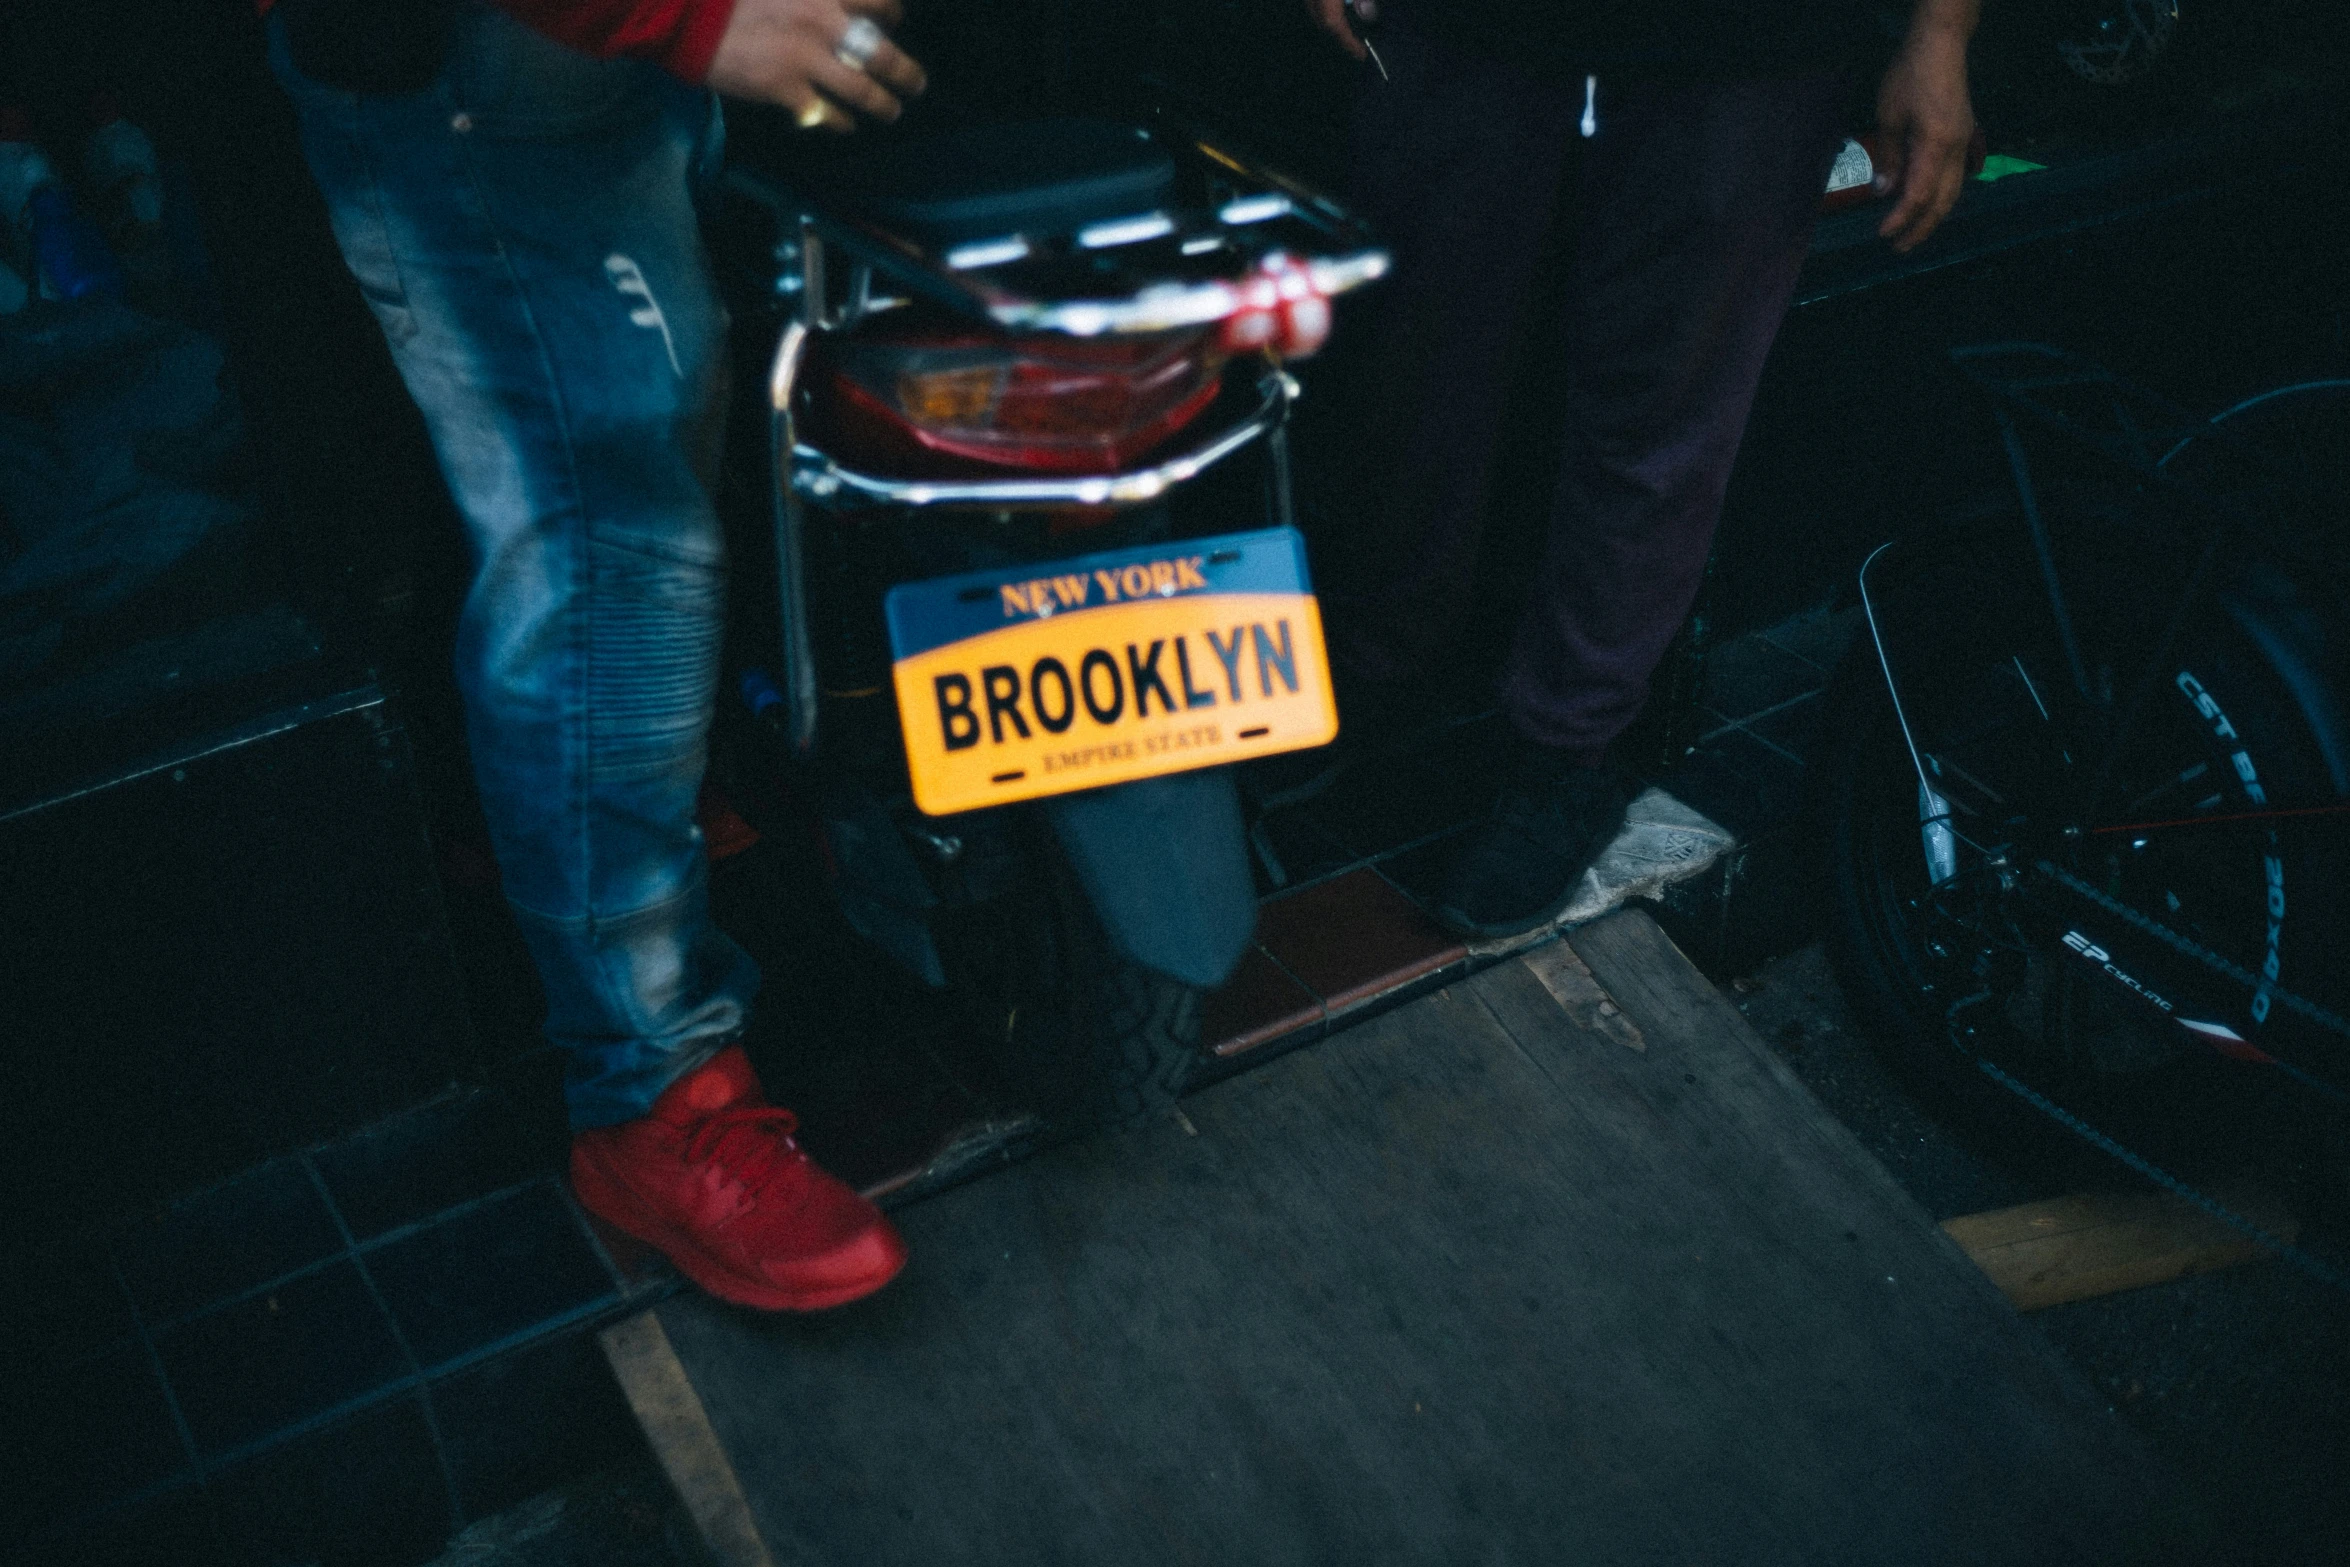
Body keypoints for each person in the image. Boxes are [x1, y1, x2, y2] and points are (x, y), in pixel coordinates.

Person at [266, 0, 928, 1312]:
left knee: (626, 489)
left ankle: (580, 838)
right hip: (500, 70)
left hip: (586, 73)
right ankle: (654, 1103)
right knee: (610, 569)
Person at [1300, 0, 1980, 938]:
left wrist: (1940, 33)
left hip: (1751, 44)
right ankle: (1366, 670)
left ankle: (1566, 749)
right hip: (1461, 30)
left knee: (1666, 410)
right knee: (1408, 357)